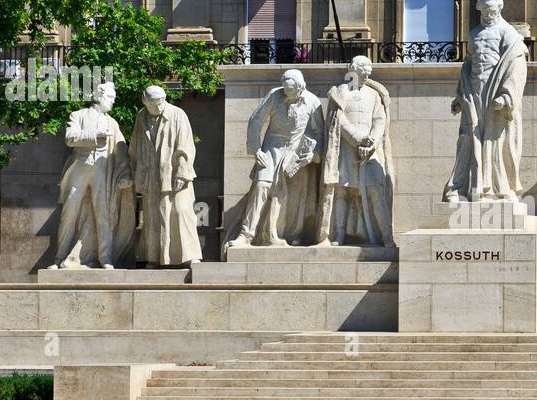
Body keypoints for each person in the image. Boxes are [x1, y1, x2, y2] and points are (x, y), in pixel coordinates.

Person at [223, 69, 324, 252]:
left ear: (300, 87)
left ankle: (274, 234)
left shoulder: (312, 102)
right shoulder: (275, 95)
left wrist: (312, 155)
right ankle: (245, 235)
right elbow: (256, 120)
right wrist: (256, 149)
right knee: (262, 185)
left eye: (291, 90)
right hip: (271, 147)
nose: (287, 93)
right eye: (285, 89)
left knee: (280, 192)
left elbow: (319, 133)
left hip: (293, 152)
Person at [443, 0, 527, 202]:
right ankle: (462, 188)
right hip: (473, 93)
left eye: (492, 10)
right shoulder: (474, 33)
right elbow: (469, 65)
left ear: (499, 9)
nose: (488, 14)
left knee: (495, 141)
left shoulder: (508, 33)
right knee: (467, 138)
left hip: (495, 93)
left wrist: (507, 96)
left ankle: (498, 190)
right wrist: (459, 97)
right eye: (484, 10)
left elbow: (516, 64)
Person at [48, 81, 134, 269]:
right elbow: (70, 138)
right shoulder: (78, 115)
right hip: (79, 167)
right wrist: (95, 135)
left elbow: (121, 149)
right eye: (110, 97)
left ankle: (106, 258)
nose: (112, 101)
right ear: (98, 96)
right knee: (69, 213)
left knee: (103, 214)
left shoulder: (113, 123)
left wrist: (125, 172)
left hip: (103, 170)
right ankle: (58, 258)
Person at [317, 57, 395, 247]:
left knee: (376, 190)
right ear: (353, 70)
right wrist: (358, 138)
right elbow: (338, 120)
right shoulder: (340, 93)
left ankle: (386, 236)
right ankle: (339, 235)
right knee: (342, 191)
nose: (367, 75)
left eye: (369, 71)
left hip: (370, 151)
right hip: (345, 149)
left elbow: (380, 120)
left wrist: (372, 142)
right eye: (364, 71)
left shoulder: (374, 95)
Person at [131, 85, 202, 266]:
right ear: (145, 102)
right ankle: (154, 257)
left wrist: (183, 172)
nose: (159, 106)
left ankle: (190, 255)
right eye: (155, 103)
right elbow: (135, 146)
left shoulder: (178, 114)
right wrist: (136, 172)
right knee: (153, 216)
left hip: (175, 173)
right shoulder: (141, 117)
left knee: (181, 210)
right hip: (151, 175)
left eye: (161, 101)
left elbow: (186, 145)